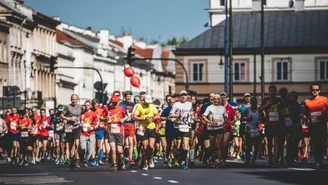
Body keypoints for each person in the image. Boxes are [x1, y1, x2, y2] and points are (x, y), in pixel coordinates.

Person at [303, 83, 328, 171]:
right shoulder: (307, 102)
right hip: (313, 126)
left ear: (319, 91)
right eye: (313, 90)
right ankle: (317, 161)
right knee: (315, 143)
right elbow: (305, 114)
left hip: (322, 125)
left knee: (322, 143)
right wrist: (304, 117)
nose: (315, 91)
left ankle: (321, 157)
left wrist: (324, 115)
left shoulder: (324, 99)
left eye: (317, 90)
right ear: (310, 91)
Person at [133, 95, 159, 170]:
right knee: (144, 146)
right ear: (143, 101)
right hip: (143, 128)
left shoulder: (152, 106)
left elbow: (157, 115)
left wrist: (152, 118)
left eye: (149, 103)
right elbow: (134, 117)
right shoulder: (139, 106)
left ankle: (150, 158)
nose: (148, 104)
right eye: (146, 102)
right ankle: (146, 162)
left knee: (151, 146)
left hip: (151, 127)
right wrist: (144, 118)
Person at [243, 97, 261, 166]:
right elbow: (242, 118)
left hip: (256, 129)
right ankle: (247, 160)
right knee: (249, 145)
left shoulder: (259, 110)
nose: (254, 104)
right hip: (249, 129)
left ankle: (253, 160)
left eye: (255, 103)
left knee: (256, 146)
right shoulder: (248, 110)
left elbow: (262, 118)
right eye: (252, 102)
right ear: (250, 103)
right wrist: (247, 119)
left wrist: (260, 120)